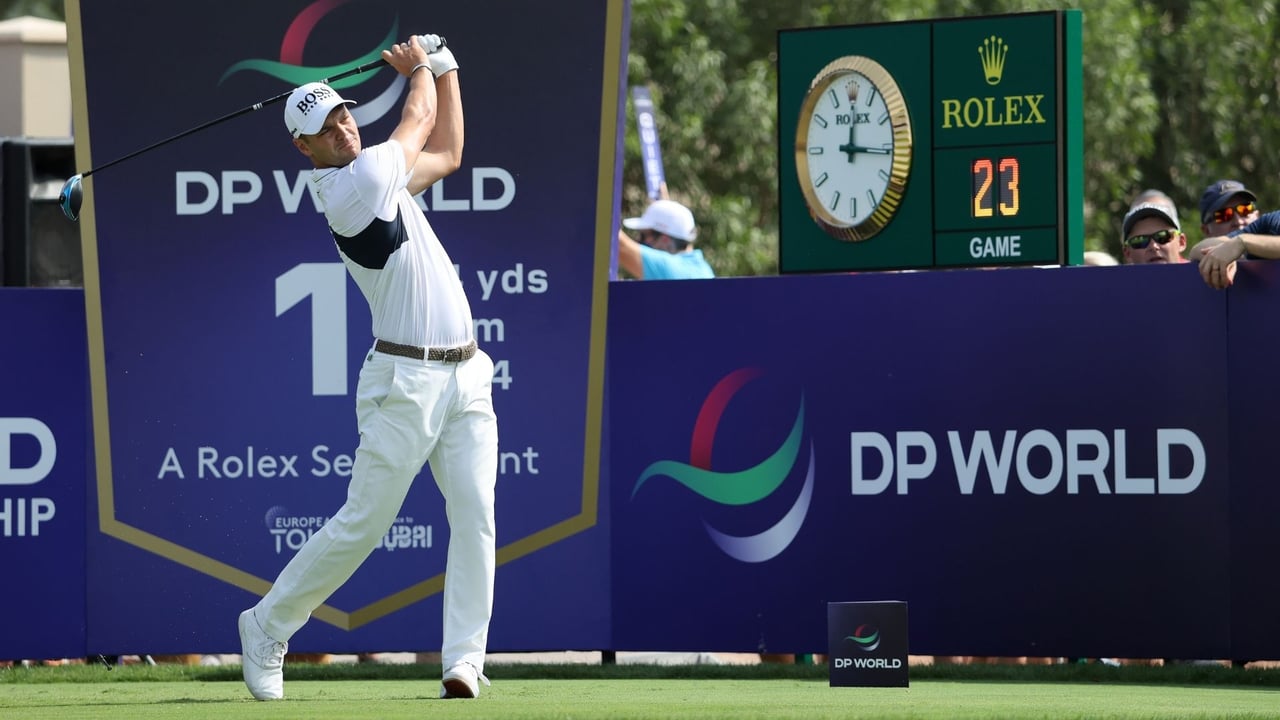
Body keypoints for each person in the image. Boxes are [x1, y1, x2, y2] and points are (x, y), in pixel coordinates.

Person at [237, 34, 498, 701]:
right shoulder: (352, 184)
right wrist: (420, 69)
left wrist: (448, 68)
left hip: (466, 374)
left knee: (474, 513)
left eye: (344, 114)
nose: (343, 127)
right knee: (365, 522)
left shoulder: (376, 174)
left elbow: (448, 152)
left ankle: (464, 662)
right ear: (306, 149)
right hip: (404, 382)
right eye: (326, 128)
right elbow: (418, 122)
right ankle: (267, 625)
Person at [616, 199, 715, 279]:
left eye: (644, 235)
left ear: (665, 239)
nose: (639, 240)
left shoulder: (668, 268)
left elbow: (618, 244)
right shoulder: (701, 269)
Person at [1120, 202, 1188, 265]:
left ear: (1181, 242)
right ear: (1127, 253)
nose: (1153, 246)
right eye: (1140, 241)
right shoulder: (1113, 278)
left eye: (1163, 237)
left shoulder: (1197, 274)